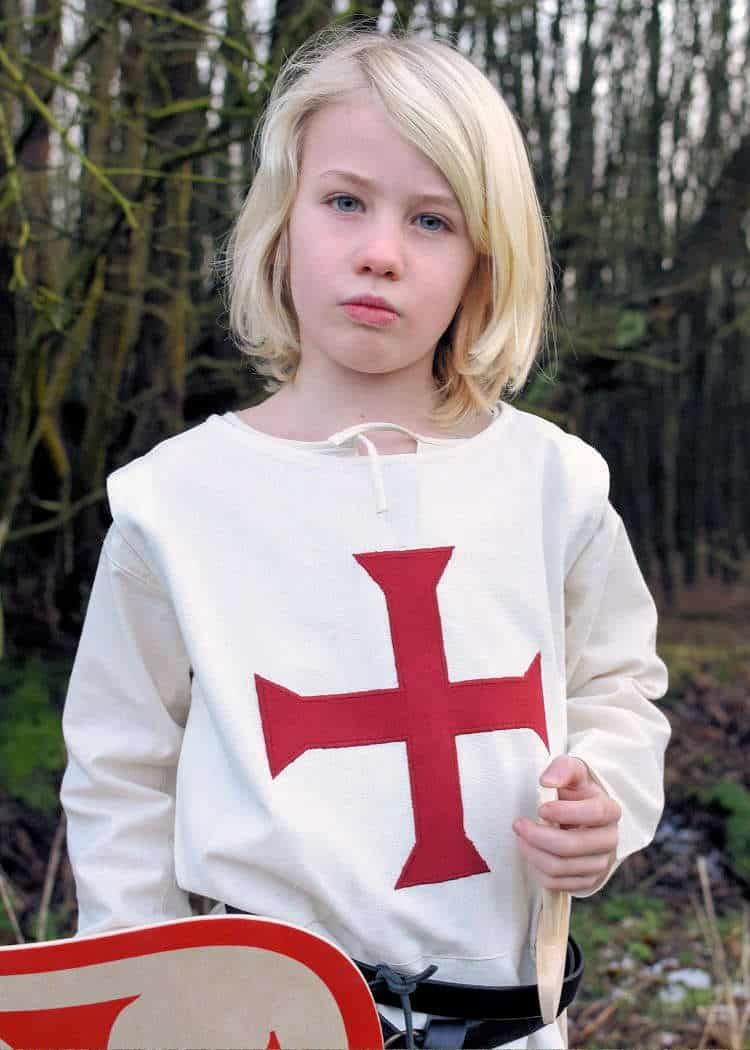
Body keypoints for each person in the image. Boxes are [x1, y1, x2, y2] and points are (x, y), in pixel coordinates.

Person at [60, 24, 671, 1050]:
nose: (381, 251)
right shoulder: (179, 503)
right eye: (345, 201)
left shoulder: (551, 486)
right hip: (255, 1026)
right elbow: (122, 771)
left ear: (484, 263)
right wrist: (142, 999)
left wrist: (603, 796)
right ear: (280, 224)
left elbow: (616, 686)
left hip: (500, 1024)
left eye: (432, 220)